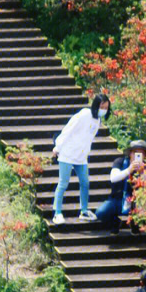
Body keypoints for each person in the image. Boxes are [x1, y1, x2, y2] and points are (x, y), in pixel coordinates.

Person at [51, 94, 109, 224]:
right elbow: (68, 129)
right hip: (67, 154)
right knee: (63, 183)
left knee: (85, 183)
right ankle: (57, 213)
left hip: (81, 157)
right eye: (101, 106)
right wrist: (58, 147)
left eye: (106, 107)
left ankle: (84, 211)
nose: (103, 109)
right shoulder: (84, 114)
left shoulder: (97, 121)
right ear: (95, 105)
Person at [95, 140, 146, 233]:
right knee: (101, 212)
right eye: (135, 152)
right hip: (118, 199)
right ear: (130, 153)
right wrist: (129, 170)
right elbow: (113, 178)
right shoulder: (120, 162)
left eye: (140, 152)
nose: (137, 155)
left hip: (138, 202)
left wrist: (143, 173)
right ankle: (115, 222)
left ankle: (135, 224)